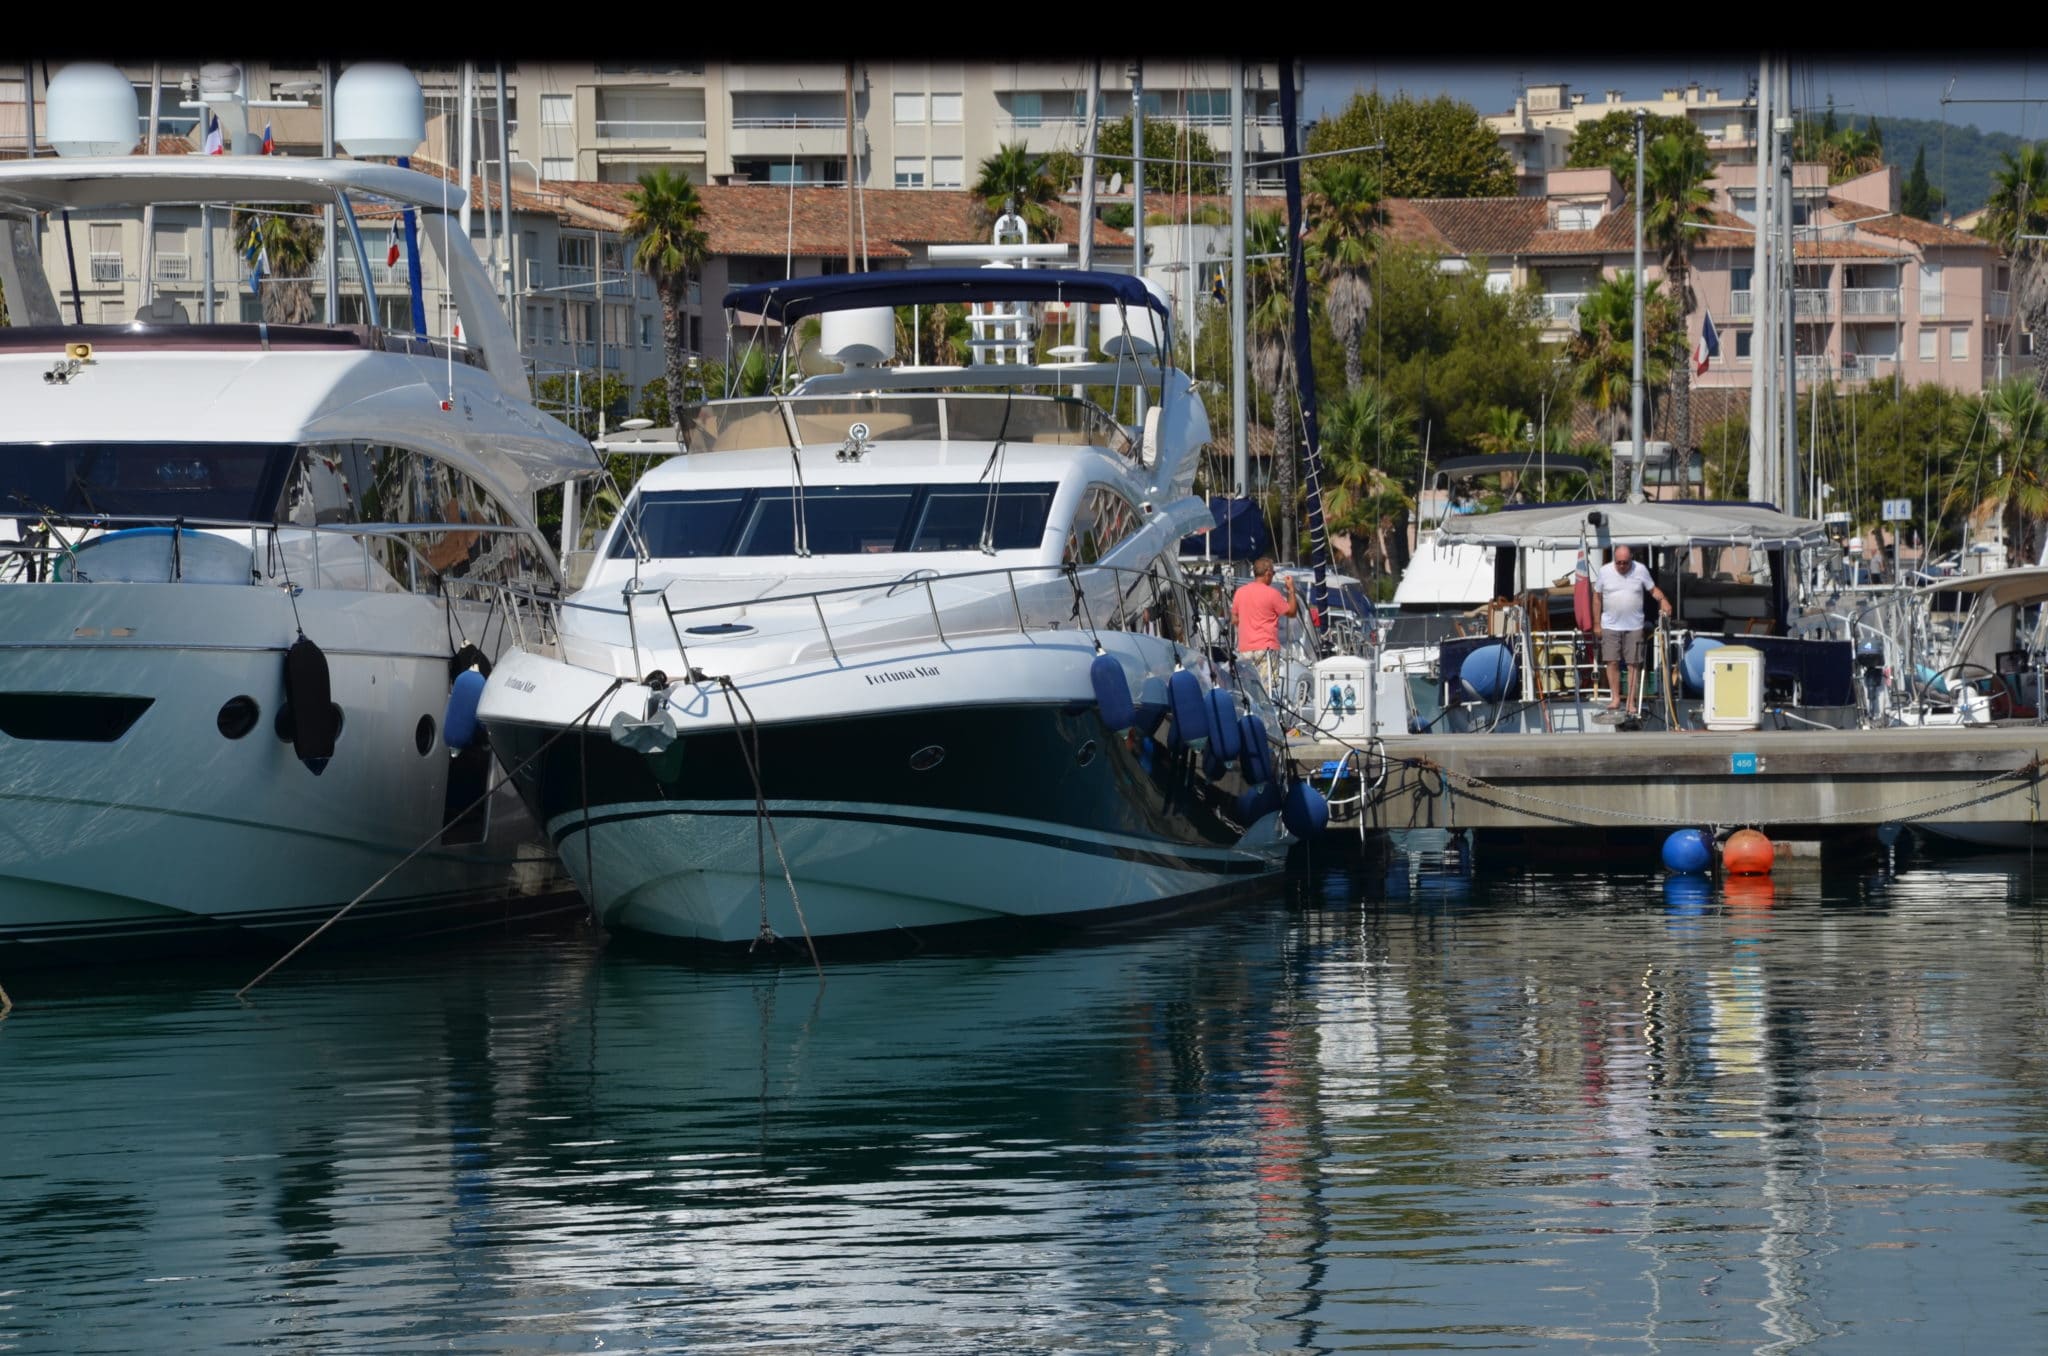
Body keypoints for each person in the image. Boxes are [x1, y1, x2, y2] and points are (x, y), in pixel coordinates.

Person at [1593, 545, 1670, 716]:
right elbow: (1597, 597)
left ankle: (1630, 702)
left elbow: (1653, 590)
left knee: (1633, 664)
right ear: (1614, 559)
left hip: (1634, 626)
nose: (1622, 566)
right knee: (1611, 661)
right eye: (1618, 562)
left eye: (1625, 563)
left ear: (1631, 559)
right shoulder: (1605, 571)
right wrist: (1597, 623)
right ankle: (1615, 698)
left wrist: (1663, 600)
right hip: (1610, 625)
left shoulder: (1640, 570)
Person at [1232, 556, 1297, 692]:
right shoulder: (1272, 594)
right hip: (1266, 648)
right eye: (1273, 574)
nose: (1272, 576)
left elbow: (1234, 620)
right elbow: (1291, 612)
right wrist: (1291, 590)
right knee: (1266, 693)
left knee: (1248, 692)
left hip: (1245, 650)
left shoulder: (1240, 593)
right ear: (1267, 573)